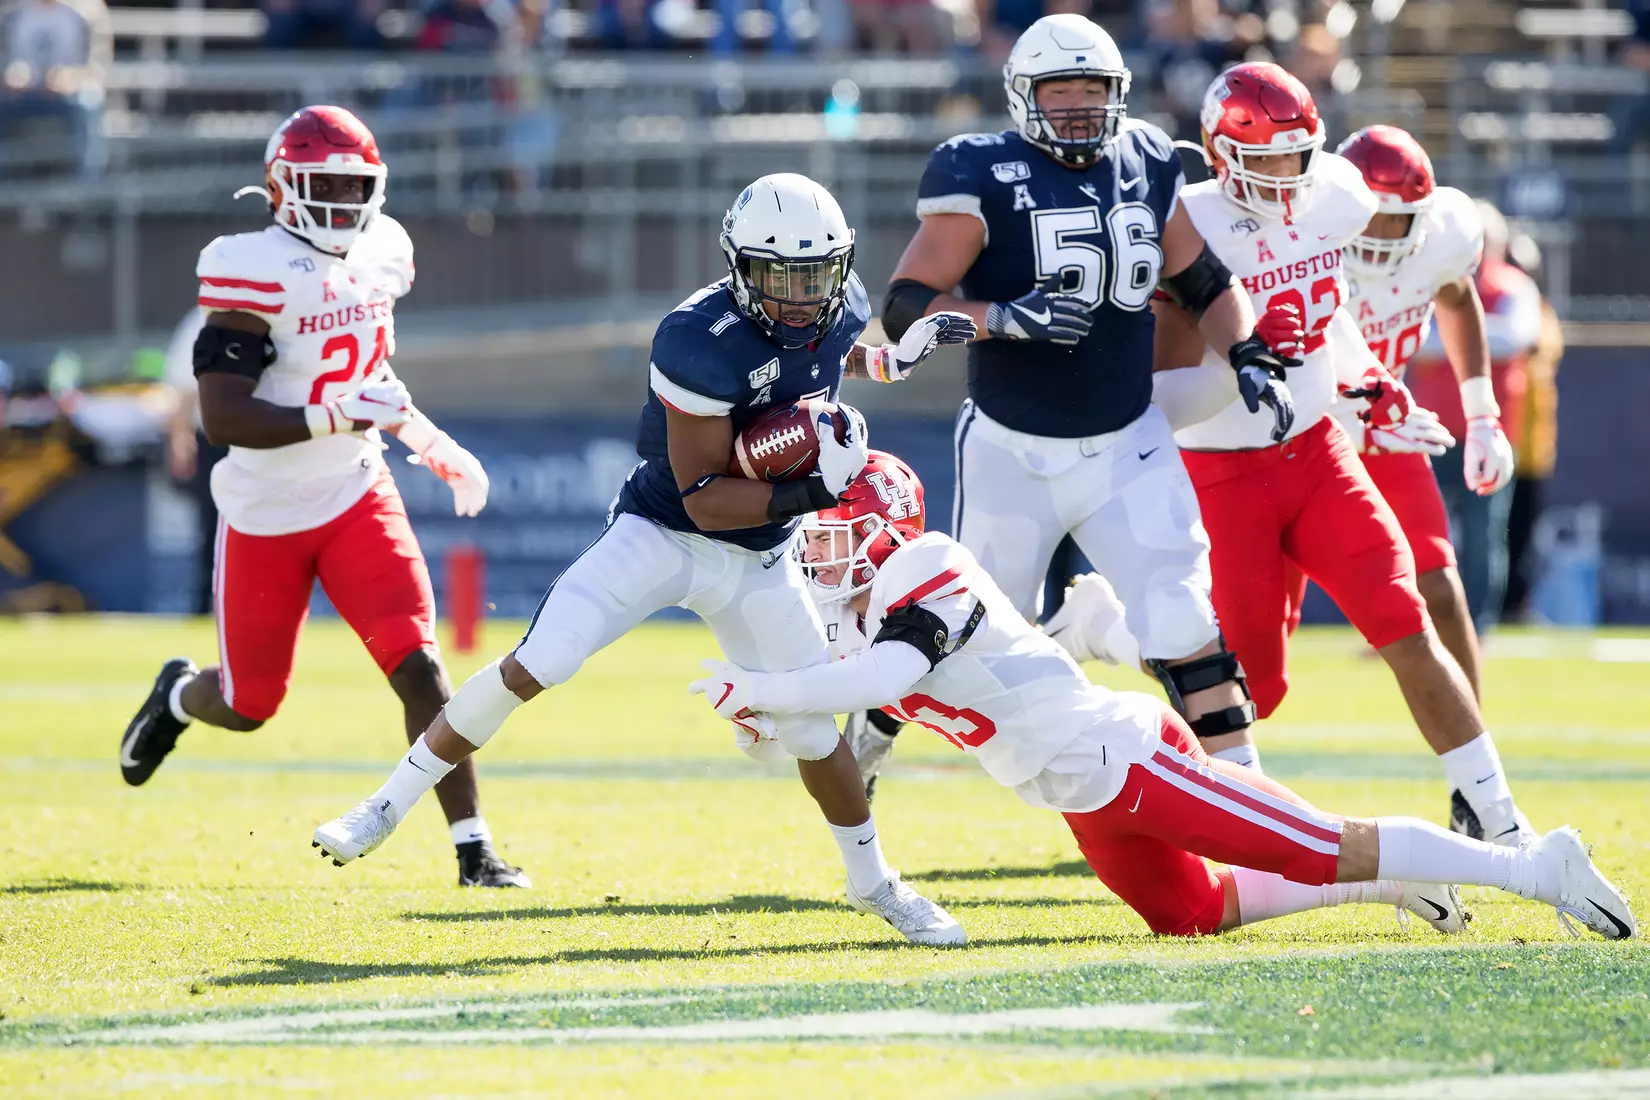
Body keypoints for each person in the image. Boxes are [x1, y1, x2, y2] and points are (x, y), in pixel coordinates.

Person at [313, 173, 979, 946]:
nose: (800, 294)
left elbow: (829, 360)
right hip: (663, 533)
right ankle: (386, 805)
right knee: (540, 663)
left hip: (760, 558)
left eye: (815, 274)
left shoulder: (839, 301)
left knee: (811, 729)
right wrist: (813, 493)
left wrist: (895, 360)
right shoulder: (698, 339)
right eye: (780, 275)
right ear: (739, 266)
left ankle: (877, 886)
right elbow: (702, 496)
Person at [688, 454, 1636, 941]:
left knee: (1318, 843)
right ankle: (1396, 879)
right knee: (1192, 918)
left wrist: (769, 683)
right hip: (1078, 791)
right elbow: (826, 732)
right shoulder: (853, 623)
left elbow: (887, 680)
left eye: (836, 529)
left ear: (886, 529)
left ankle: (1538, 867)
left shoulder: (930, 567)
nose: (818, 548)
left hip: (1125, 756)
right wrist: (761, 721)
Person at [876, 13, 1300, 797]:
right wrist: (1001, 317)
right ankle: (866, 744)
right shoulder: (979, 171)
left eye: (1092, 87)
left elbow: (1202, 279)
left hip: (1124, 437)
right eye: (1058, 88)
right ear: (1021, 95)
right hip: (1013, 447)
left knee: (1182, 618)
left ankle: (1254, 801)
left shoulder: (1144, 156)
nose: (1076, 104)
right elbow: (904, 309)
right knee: (969, 638)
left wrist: (1245, 351)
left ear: (1119, 92)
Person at [118, 106, 529, 889]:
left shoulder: (381, 253)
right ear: (282, 187)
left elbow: (376, 384)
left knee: (421, 670)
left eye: (354, 185)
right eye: (325, 185)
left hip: (354, 492)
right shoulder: (250, 266)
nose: (343, 202)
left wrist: (434, 446)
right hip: (265, 510)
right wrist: (335, 414)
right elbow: (224, 415)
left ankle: (474, 848)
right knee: (247, 704)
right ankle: (178, 693)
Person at [1146, 64, 1537, 846]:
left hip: (1321, 453)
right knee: (1257, 680)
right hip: (1226, 472)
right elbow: (1164, 380)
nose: (1288, 176)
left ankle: (1497, 815)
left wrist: (1369, 384)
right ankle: (1175, 758)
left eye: (1300, 156)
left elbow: (1325, 316)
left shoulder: (1340, 195)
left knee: (1406, 612)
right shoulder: (1189, 222)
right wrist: (1236, 381)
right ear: (1222, 153)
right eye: (1269, 159)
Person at [1325, 125, 1514, 706]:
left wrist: (1483, 416)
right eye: (1370, 217)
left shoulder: (1444, 237)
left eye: (1396, 219)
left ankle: (1477, 747)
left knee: (1435, 577)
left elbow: (1458, 297)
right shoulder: (1307, 239)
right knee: (1260, 631)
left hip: (1390, 430)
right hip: (1305, 433)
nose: (1380, 235)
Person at [1406, 200, 1539, 632]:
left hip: (1487, 432)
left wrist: (1452, 332)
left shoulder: (1514, 287)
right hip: (1432, 429)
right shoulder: (1432, 280)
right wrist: (1459, 334)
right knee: (1416, 531)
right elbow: (1413, 340)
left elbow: (1515, 338)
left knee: (1484, 539)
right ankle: (1409, 624)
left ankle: (1476, 629)